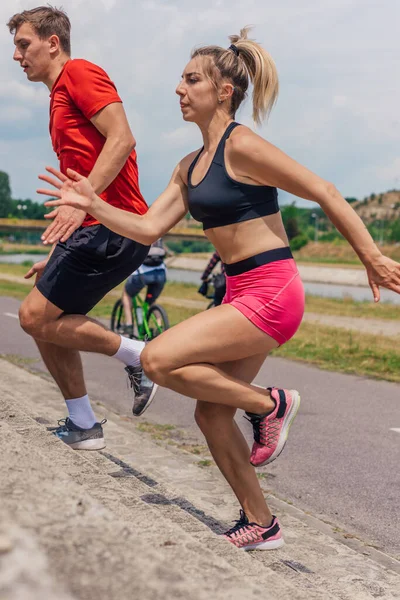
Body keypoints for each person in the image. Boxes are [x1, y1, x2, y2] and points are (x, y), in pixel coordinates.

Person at [37, 27, 400, 550]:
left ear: (223, 90)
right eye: (179, 81)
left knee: (158, 360)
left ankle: (268, 405)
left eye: (190, 80)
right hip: (240, 293)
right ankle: (262, 522)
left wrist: (371, 255)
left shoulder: (243, 145)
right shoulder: (188, 167)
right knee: (209, 412)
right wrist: (92, 203)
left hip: (273, 289)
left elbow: (323, 189)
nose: (179, 90)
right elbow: (145, 228)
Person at [7, 6, 157, 451]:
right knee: (45, 319)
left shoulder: (79, 73)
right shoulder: (57, 97)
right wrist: (56, 252)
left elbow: (123, 137)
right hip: (95, 226)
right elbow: (80, 186)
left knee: (32, 317)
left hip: (115, 225)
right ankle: (83, 424)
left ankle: (140, 356)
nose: (17, 56)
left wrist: (87, 198)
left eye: (23, 44)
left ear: (53, 42)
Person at [122, 239, 167, 336]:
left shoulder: (138, 233)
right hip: (161, 274)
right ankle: (159, 327)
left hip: (142, 274)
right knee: (151, 301)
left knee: (127, 294)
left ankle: (129, 325)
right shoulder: (158, 236)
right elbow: (165, 251)